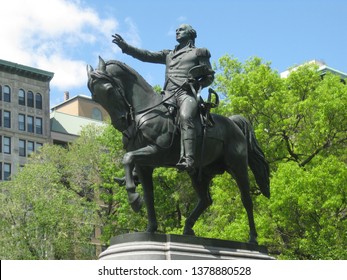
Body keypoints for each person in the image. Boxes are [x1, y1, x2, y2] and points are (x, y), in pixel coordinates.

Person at [112, 24, 214, 171]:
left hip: (186, 94)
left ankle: (189, 158)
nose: (177, 31)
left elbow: (209, 77)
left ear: (191, 33)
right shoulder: (169, 54)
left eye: (181, 29)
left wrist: (197, 85)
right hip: (167, 95)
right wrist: (126, 47)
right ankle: (137, 168)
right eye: (176, 30)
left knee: (185, 117)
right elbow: (146, 55)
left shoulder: (199, 52)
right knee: (148, 122)